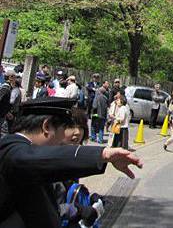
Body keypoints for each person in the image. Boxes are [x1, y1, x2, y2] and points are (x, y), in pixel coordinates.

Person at [0, 97, 142, 228]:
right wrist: (102, 154)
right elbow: (27, 159)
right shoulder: (10, 150)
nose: (62, 146)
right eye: (62, 137)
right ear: (47, 127)